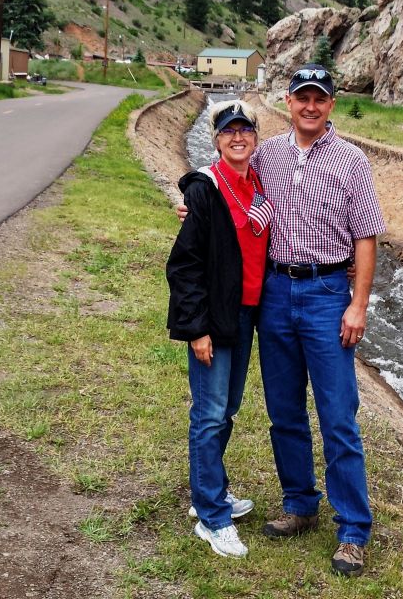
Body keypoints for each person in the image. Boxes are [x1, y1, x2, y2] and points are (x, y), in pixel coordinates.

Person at [178, 64, 386, 578]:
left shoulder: (352, 160)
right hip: (273, 294)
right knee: (284, 410)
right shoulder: (267, 154)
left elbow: (366, 237)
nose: (310, 106)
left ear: (331, 104)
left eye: (320, 98)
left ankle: (352, 529)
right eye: (302, 97)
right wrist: (194, 207)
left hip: (326, 293)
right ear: (288, 103)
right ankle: (299, 503)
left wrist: (358, 304)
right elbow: (224, 181)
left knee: (338, 415)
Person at [166, 99, 273, 560]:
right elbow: (184, 266)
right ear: (216, 140)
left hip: (245, 314)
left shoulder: (259, 184)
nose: (237, 137)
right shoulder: (205, 189)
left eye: (245, 130)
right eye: (228, 131)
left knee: (226, 409)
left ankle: (208, 491)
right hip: (214, 317)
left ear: (255, 137)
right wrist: (197, 329)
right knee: (209, 413)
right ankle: (212, 517)